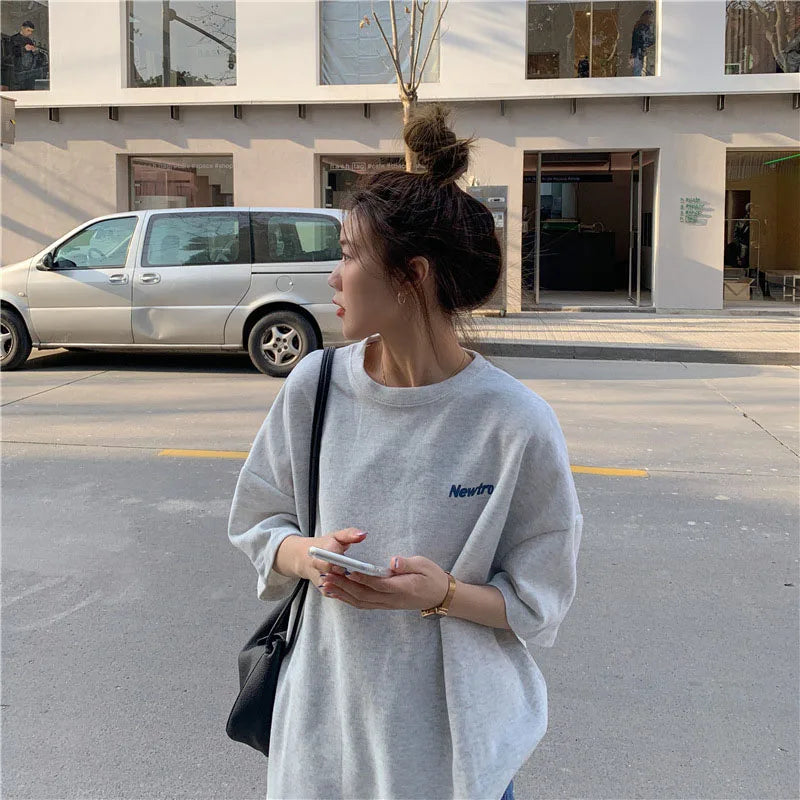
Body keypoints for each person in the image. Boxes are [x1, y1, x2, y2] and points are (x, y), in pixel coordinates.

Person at [228, 103, 584, 800]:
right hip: (324, 740)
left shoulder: (514, 423)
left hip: (456, 756)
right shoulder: (316, 386)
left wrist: (441, 594)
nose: (333, 276)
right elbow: (257, 522)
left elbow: (539, 601)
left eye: (350, 254)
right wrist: (309, 553)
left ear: (409, 276)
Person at [8, 20, 38, 90]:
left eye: (31, 31)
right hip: (18, 71)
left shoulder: (29, 41)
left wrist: (34, 51)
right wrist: (24, 49)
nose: (30, 33)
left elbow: (34, 56)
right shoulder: (13, 38)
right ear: (22, 28)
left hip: (29, 71)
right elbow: (11, 52)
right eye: (28, 30)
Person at [629, 9, 656, 76]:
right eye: (650, 17)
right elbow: (639, 42)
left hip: (639, 53)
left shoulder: (640, 27)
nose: (651, 20)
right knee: (640, 71)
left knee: (640, 71)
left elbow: (634, 43)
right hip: (640, 53)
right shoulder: (642, 28)